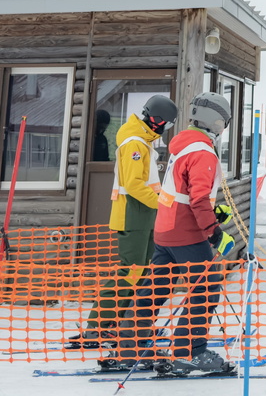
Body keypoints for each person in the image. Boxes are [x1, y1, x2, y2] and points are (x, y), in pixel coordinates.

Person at [105, 92, 237, 376]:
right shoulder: (203, 152)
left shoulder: (184, 145)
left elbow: (185, 192)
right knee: (205, 287)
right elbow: (199, 199)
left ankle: (130, 347)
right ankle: (190, 351)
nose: (223, 127)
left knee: (154, 289)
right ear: (216, 121)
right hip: (186, 232)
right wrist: (214, 233)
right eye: (224, 122)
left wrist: (215, 213)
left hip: (165, 228)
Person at [67, 95, 178, 349]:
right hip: (133, 214)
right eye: (167, 125)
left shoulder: (144, 141)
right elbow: (134, 185)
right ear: (156, 119)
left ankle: (127, 327)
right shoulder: (134, 143)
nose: (165, 130)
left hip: (145, 214)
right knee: (130, 272)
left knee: (142, 274)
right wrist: (162, 203)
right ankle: (98, 327)